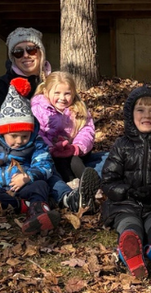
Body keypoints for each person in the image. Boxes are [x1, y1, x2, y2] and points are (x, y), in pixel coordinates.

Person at [100, 86, 151, 278]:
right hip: (125, 205)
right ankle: (130, 253)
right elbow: (109, 180)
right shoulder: (121, 146)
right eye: (140, 110)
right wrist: (127, 191)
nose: (147, 115)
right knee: (130, 225)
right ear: (130, 115)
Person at [0, 78, 61, 235]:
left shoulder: (36, 142)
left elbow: (45, 164)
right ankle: (25, 206)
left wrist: (28, 176)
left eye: (25, 136)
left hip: (24, 184)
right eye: (14, 136)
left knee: (40, 186)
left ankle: (39, 211)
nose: (20, 141)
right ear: (3, 132)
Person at [31, 70, 104, 214]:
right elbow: (37, 133)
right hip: (49, 155)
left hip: (73, 152)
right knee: (54, 169)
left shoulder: (78, 108)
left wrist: (76, 147)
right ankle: (72, 188)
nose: (62, 98)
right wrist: (50, 148)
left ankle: (89, 185)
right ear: (46, 92)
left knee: (104, 158)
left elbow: (87, 130)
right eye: (57, 93)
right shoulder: (38, 109)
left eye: (67, 94)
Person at [0, 27, 52, 120]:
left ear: (41, 52)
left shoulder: (55, 82)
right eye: (18, 52)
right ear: (13, 58)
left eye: (31, 50)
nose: (26, 55)